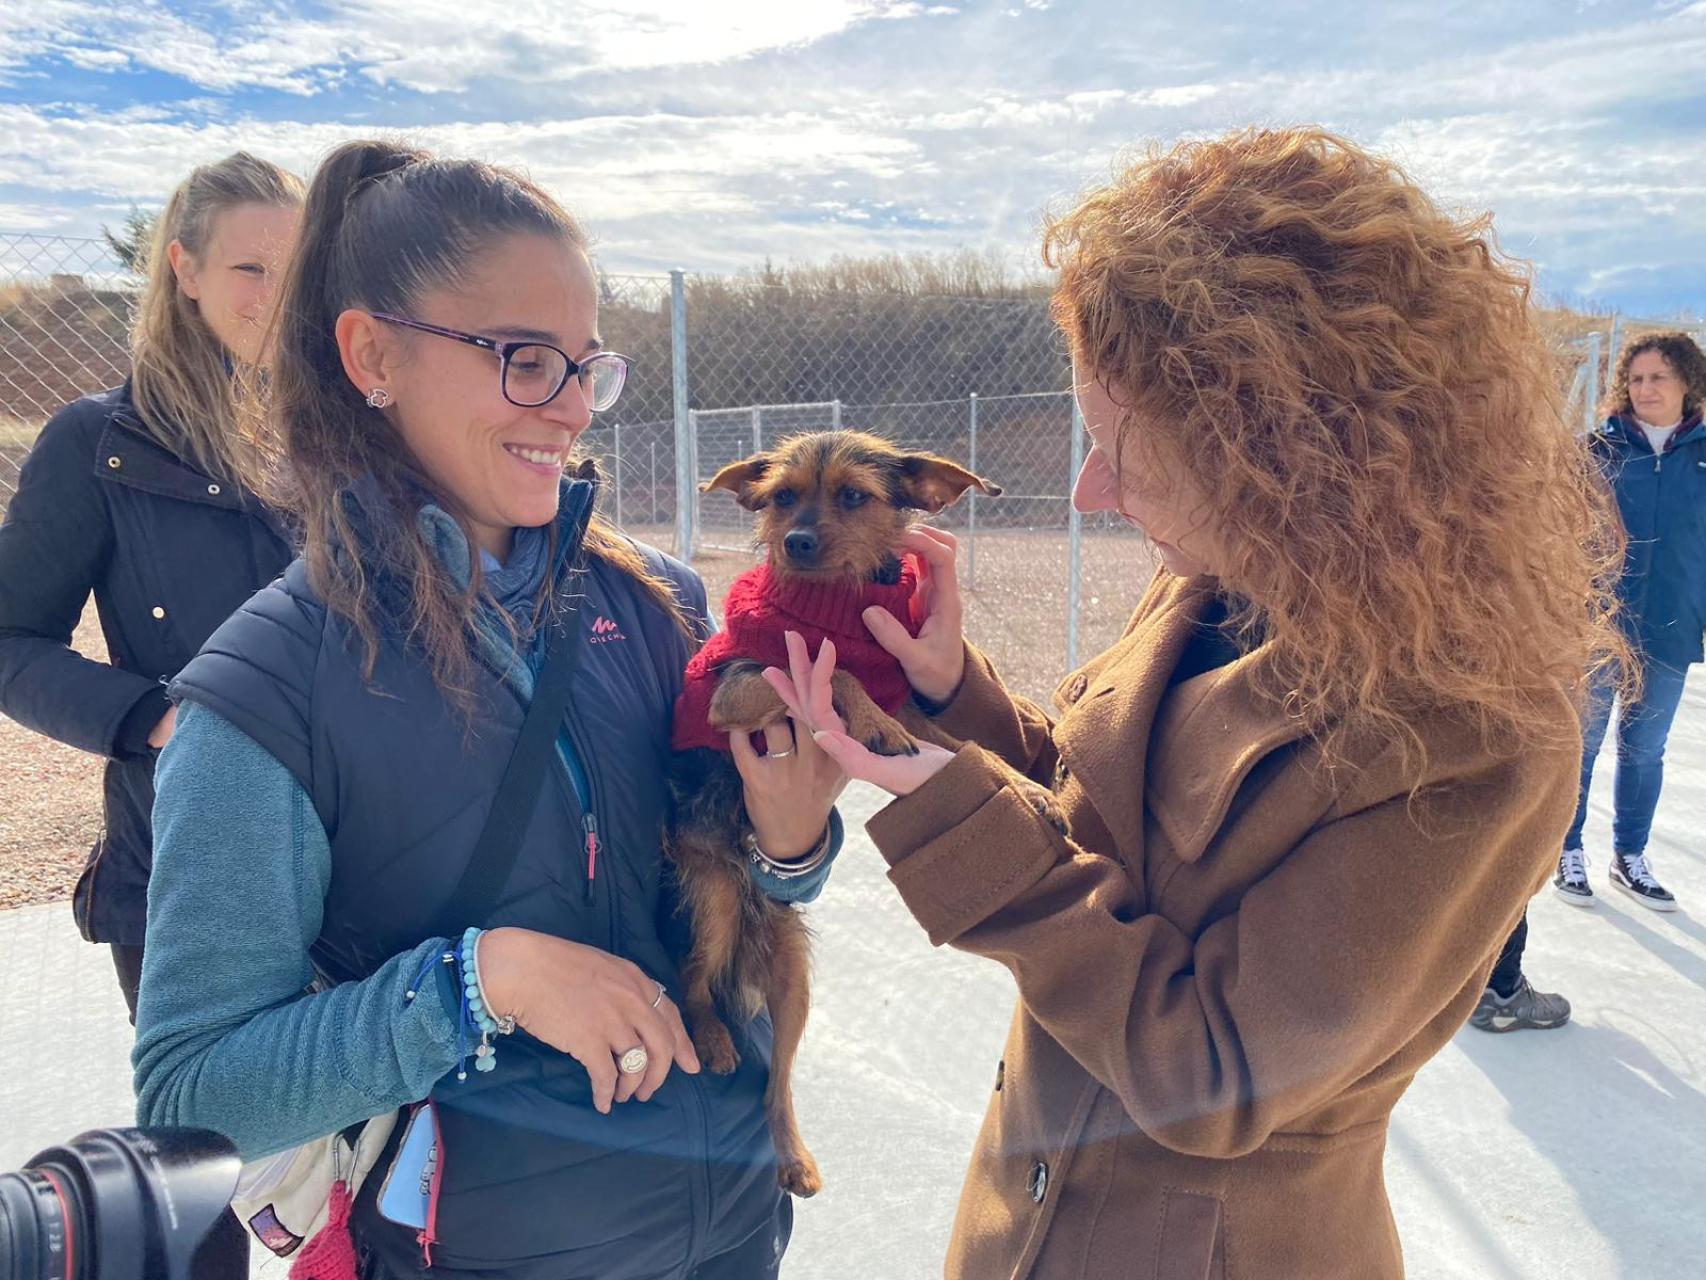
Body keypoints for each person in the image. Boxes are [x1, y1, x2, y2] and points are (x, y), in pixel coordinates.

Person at [768, 127, 1626, 1278]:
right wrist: (951, 696)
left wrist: (957, 817)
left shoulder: (1475, 737)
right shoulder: (1216, 580)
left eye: (1123, 446)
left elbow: (1214, 1075)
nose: (1086, 488)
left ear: (1290, 450)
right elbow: (1098, 820)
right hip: (1024, 1215)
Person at [133, 140, 846, 1280]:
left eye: (584, 365)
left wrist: (791, 837)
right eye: (523, 359)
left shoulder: (658, 600)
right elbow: (194, 1093)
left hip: (731, 1227)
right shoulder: (264, 687)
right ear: (372, 354)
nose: (569, 410)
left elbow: (745, 882)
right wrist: (477, 982)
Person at [0, 151, 302, 1015]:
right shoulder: (95, 441)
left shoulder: (337, 435)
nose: (277, 297)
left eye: (296, 271)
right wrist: (160, 721)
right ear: (186, 268)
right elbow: (10, 642)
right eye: (251, 268)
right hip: (187, 859)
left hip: (350, 848)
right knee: (210, 1141)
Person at [1551, 331, 1706, 911]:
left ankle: (1630, 856)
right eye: (1636, 378)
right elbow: (1557, 537)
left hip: (1671, 625)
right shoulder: (1596, 451)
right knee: (1581, 744)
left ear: (1687, 382)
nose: (1646, 389)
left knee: (1646, 750)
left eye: (1659, 377)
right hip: (1599, 625)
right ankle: (1566, 850)